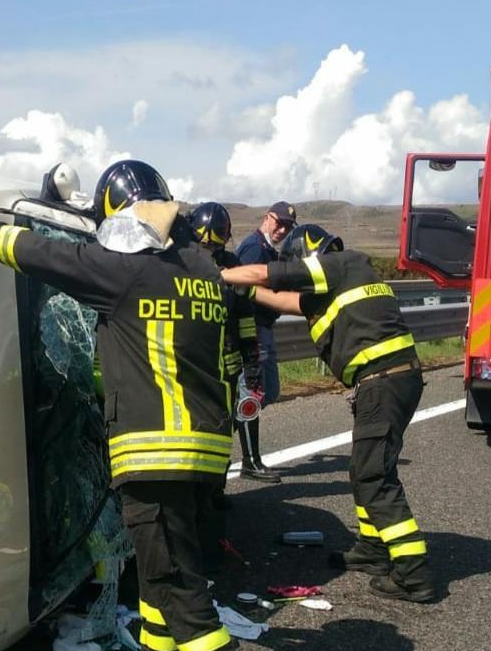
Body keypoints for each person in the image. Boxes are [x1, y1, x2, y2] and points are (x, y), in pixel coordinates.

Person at [0, 161, 246, 651]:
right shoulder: (202, 270)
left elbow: (50, 258)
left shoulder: (127, 274)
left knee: (173, 574)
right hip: (203, 448)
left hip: (157, 448)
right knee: (163, 562)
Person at [221, 224, 434, 603]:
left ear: (309, 254)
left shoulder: (339, 264)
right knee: (365, 470)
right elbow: (287, 301)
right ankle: (371, 548)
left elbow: (265, 273)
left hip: (383, 383)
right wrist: (250, 292)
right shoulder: (343, 280)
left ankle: (411, 571)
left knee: (373, 476)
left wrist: (214, 275)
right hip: (386, 382)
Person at [185, 202, 260, 574]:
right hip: (191, 369)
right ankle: (193, 495)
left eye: (214, 249)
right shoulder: (177, 262)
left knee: (220, 434)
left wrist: (252, 363)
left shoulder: (234, 268)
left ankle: (215, 491)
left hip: (225, 371)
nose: (208, 254)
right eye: (203, 248)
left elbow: (246, 320)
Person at [231, 200, 296, 481]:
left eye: (288, 226)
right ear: (267, 218)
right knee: (252, 393)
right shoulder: (255, 247)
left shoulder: (267, 249)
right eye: (279, 223)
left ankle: (233, 433)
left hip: (264, 326)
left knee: (267, 393)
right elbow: (239, 288)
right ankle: (250, 461)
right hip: (252, 328)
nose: (282, 229)